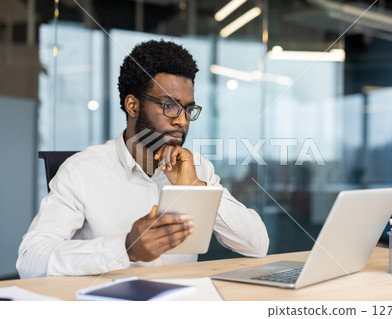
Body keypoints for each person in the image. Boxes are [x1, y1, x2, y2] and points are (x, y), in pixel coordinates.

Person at [16, 40, 269, 278]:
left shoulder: (197, 168)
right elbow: (30, 260)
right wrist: (127, 248)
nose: (182, 120)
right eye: (169, 105)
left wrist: (195, 188)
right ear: (133, 106)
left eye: (188, 109)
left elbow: (257, 245)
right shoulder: (82, 170)